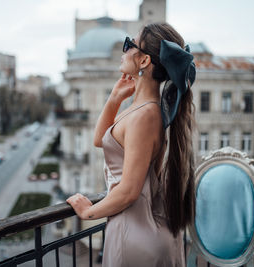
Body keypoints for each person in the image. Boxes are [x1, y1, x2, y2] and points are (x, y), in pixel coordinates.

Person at [66, 22, 196, 267]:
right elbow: (100, 140)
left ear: (144, 61)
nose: (123, 51)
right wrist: (115, 98)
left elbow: (128, 191)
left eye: (129, 45)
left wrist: (88, 213)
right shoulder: (141, 110)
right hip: (132, 228)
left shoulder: (145, 115)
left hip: (136, 235)